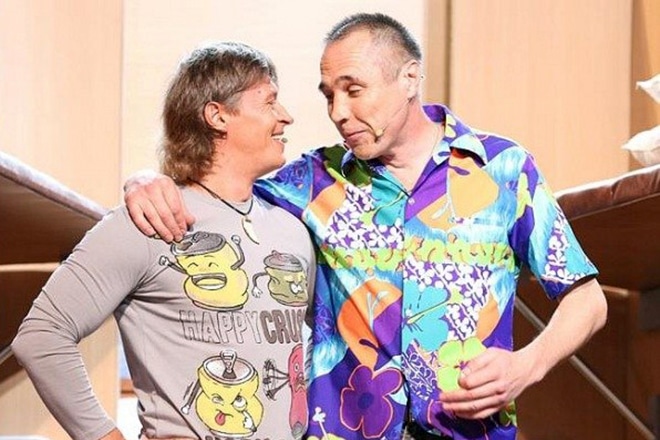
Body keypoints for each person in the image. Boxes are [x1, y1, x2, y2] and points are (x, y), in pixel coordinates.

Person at [123, 13, 608, 440]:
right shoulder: (315, 179)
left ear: (409, 77)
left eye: (353, 90)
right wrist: (146, 179)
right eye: (329, 95)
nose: (338, 112)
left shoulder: (504, 169)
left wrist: (527, 365)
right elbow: (216, 187)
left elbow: (587, 299)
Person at [12, 41, 315, 440]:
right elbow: (41, 334)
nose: (286, 116)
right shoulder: (148, 220)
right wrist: (104, 436)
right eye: (269, 102)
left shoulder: (293, 232)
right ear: (218, 115)